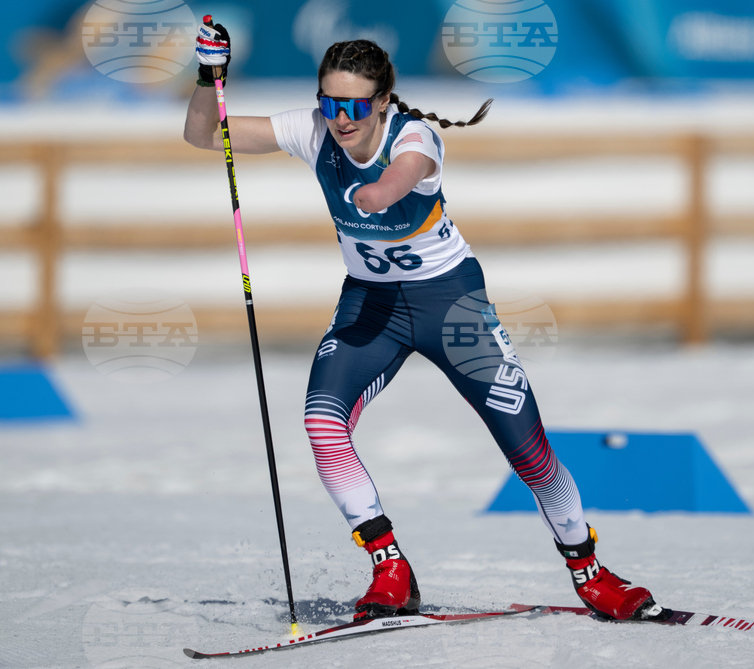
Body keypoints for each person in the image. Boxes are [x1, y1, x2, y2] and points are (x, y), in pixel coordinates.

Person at [184, 19, 669, 623]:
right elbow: (203, 134)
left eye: (355, 104)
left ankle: (590, 572)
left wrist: (376, 194)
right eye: (329, 102)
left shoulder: (415, 138)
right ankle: (389, 566)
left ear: (383, 101)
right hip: (373, 305)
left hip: (451, 303)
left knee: (529, 453)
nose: (340, 117)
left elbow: (400, 176)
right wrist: (210, 78)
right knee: (321, 422)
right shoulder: (313, 130)